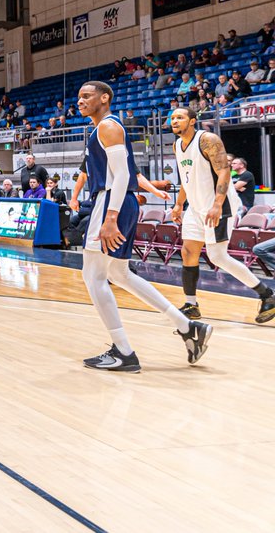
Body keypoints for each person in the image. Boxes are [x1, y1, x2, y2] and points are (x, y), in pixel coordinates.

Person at [76, 81, 210, 372]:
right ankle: (187, 326)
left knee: (93, 276)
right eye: (79, 97)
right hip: (118, 201)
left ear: (104, 97)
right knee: (118, 273)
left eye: (86, 96)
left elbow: (123, 173)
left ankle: (123, 352)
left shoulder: (108, 127)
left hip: (111, 201)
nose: (80, 101)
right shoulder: (104, 128)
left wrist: (110, 217)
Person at [168, 108, 273, 323]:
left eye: (180, 117)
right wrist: (178, 204)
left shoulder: (207, 139)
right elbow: (185, 178)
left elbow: (224, 171)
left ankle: (267, 295)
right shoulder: (177, 144)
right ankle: (191, 304)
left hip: (218, 205)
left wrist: (217, 204)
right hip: (195, 207)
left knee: (217, 256)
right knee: (188, 251)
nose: (175, 121)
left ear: (192, 121)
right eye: (172, 118)